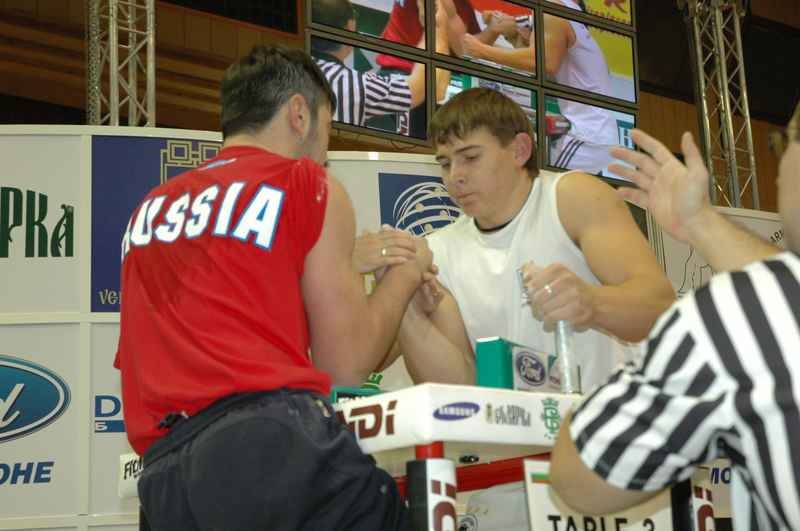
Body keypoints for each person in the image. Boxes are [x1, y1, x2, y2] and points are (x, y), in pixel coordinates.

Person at [114, 44, 436, 531]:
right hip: (271, 446)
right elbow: (343, 363)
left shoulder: (150, 209)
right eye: (329, 130)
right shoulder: (305, 181)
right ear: (299, 114)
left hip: (166, 478)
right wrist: (410, 270)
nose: (327, 151)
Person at [550, 102, 799, 530]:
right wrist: (700, 222)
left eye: (785, 142)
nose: (778, 170)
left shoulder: (735, 318)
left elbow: (585, 474)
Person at [396, 87, 674, 391]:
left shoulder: (571, 197)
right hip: (515, 432)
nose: (455, 176)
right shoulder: (439, 251)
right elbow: (462, 388)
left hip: (608, 424)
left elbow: (660, 308)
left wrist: (592, 303)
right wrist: (406, 306)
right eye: (445, 163)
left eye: (471, 157)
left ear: (519, 150)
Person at [311, 0, 450, 137]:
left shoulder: (295, 68)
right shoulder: (358, 85)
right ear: (350, 27)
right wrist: (436, 26)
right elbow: (421, 88)